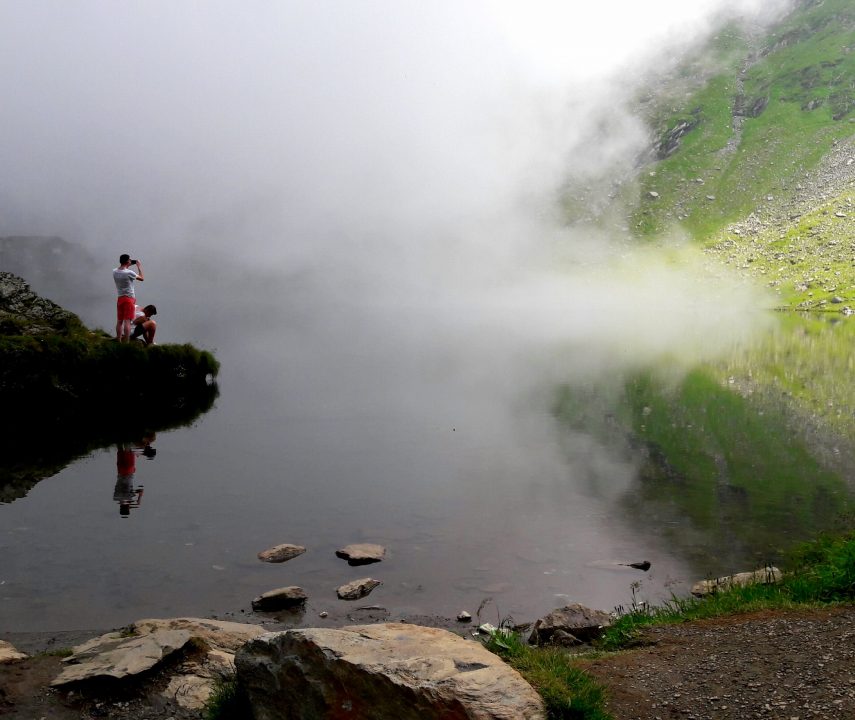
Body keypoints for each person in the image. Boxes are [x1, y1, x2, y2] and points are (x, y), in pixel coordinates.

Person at [113, 254, 144, 342]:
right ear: (127, 261)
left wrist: (128, 264)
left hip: (120, 298)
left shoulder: (114, 271)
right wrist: (139, 267)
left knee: (119, 321)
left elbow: (122, 269)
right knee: (127, 321)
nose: (131, 261)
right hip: (129, 298)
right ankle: (126, 342)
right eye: (130, 260)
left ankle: (118, 339)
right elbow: (142, 278)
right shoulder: (129, 273)